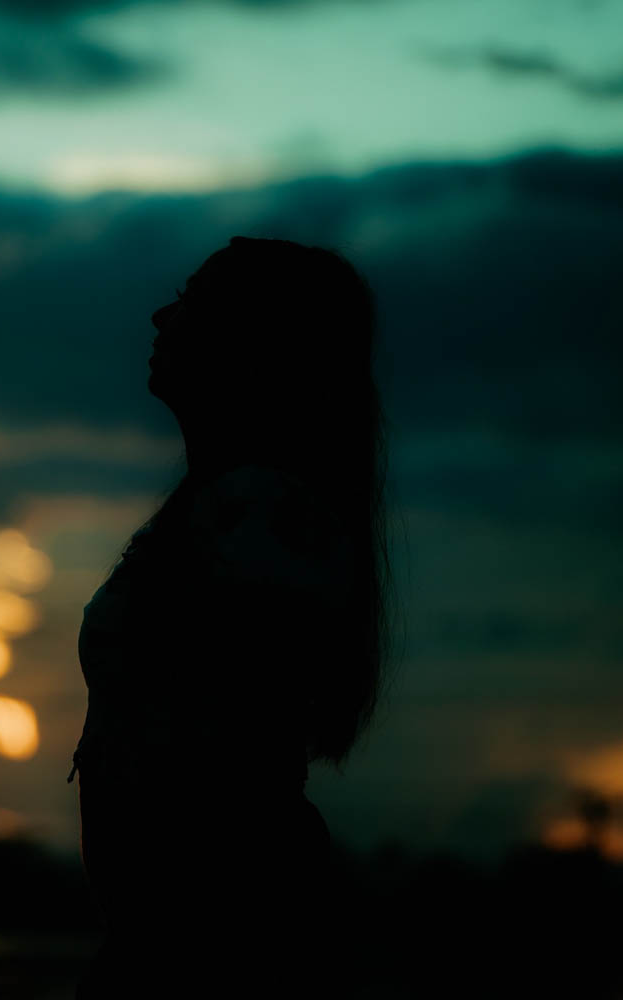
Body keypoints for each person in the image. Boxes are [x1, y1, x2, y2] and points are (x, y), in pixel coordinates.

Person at [70, 237, 389, 996]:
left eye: (190, 299)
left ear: (253, 342)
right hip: (183, 928)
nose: (160, 316)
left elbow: (219, 763)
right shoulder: (231, 508)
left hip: (210, 936)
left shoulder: (262, 512)